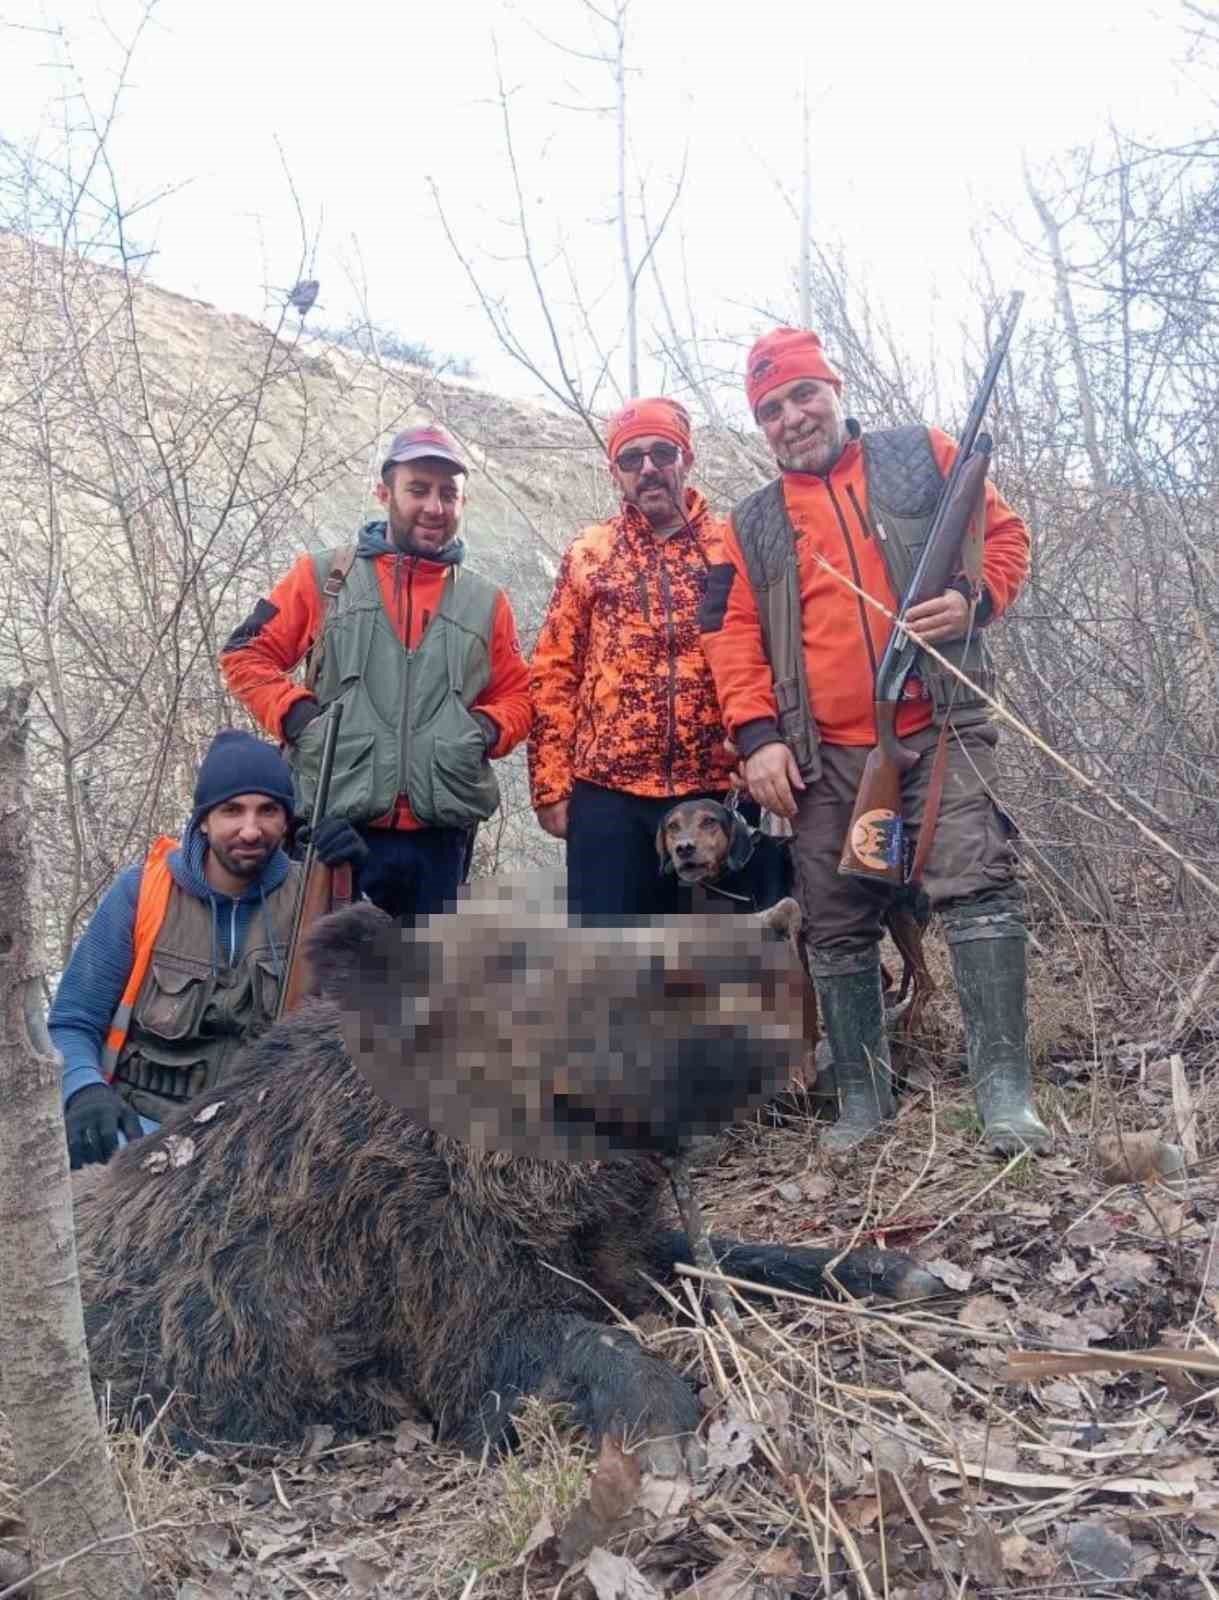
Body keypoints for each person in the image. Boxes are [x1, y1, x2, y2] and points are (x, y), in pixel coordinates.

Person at [700, 326, 1051, 1156]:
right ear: (759, 424)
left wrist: (972, 599)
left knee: (978, 884)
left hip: (939, 728)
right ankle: (863, 1098)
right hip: (823, 757)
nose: (791, 416)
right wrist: (756, 740)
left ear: (834, 388)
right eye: (771, 408)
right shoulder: (745, 526)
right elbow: (729, 637)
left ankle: (1002, 1095)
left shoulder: (922, 454)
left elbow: (1004, 538)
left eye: (803, 394)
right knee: (836, 916)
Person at [221, 424, 532, 921]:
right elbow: (244, 653)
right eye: (418, 489)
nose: (434, 507)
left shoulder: (485, 600)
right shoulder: (324, 577)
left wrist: (483, 732)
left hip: (441, 838)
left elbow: (520, 693)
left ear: (462, 503)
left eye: (448, 494)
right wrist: (297, 715)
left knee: (428, 991)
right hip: (336, 834)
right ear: (384, 492)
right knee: (330, 988)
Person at [51, 729, 366, 1167]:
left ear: (288, 820)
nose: (251, 830)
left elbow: (387, 1010)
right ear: (203, 819)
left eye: (268, 810)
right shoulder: (141, 894)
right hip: (142, 1128)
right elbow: (71, 1022)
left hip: (264, 1138)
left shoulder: (315, 897)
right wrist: (84, 1089)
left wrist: (354, 895)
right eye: (232, 810)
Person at [529, 397, 743, 920]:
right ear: (615, 472)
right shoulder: (591, 551)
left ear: (685, 459)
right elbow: (555, 668)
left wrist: (758, 750)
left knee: (721, 966)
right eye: (632, 458)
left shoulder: (732, 545)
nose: (648, 468)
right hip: (608, 796)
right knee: (608, 966)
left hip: (715, 793)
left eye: (662, 452)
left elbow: (770, 655)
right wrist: (551, 785)